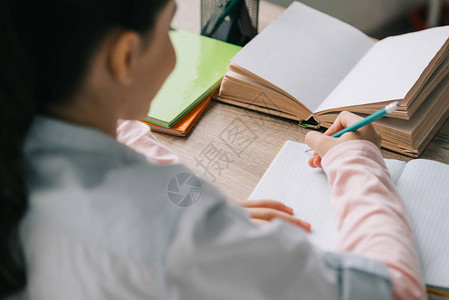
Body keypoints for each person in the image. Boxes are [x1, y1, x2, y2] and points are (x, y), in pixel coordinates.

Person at [0, 0, 426, 299]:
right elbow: (397, 292)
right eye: (169, 28)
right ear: (124, 55)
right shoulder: (176, 239)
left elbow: (125, 133)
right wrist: (356, 160)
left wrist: (196, 201)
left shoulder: (24, 126)